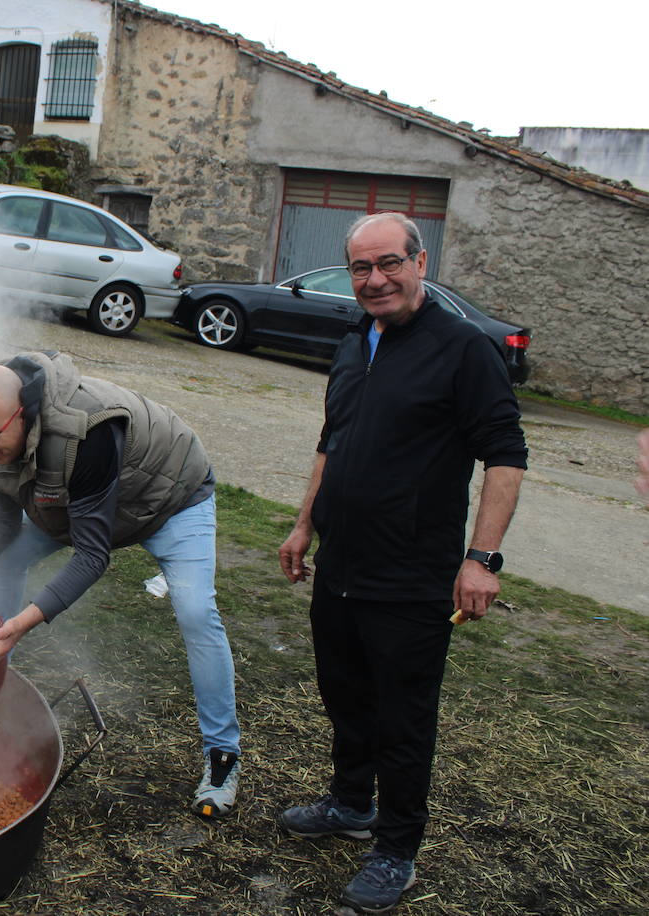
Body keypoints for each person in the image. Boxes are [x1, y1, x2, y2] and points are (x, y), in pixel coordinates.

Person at [276, 212, 527, 913]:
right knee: (344, 693)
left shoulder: (464, 350)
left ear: (420, 262)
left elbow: (506, 454)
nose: (375, 279)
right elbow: (334, 440)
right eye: (362, 268)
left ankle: (396, 849)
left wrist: (481, 559)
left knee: (403, 716)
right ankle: (351, 805)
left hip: (413, 574)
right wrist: (304, 523)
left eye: (389, 263)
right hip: (343, 563)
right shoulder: (356, 340)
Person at [0, 350, 243, 817]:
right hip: (82, 501)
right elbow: (1, 521)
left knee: (195, 611)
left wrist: (24, 621)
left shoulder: (88, 429)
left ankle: (222, 754)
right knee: (5, 562)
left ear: (21, 415)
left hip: (169, 498)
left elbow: (91, 554)